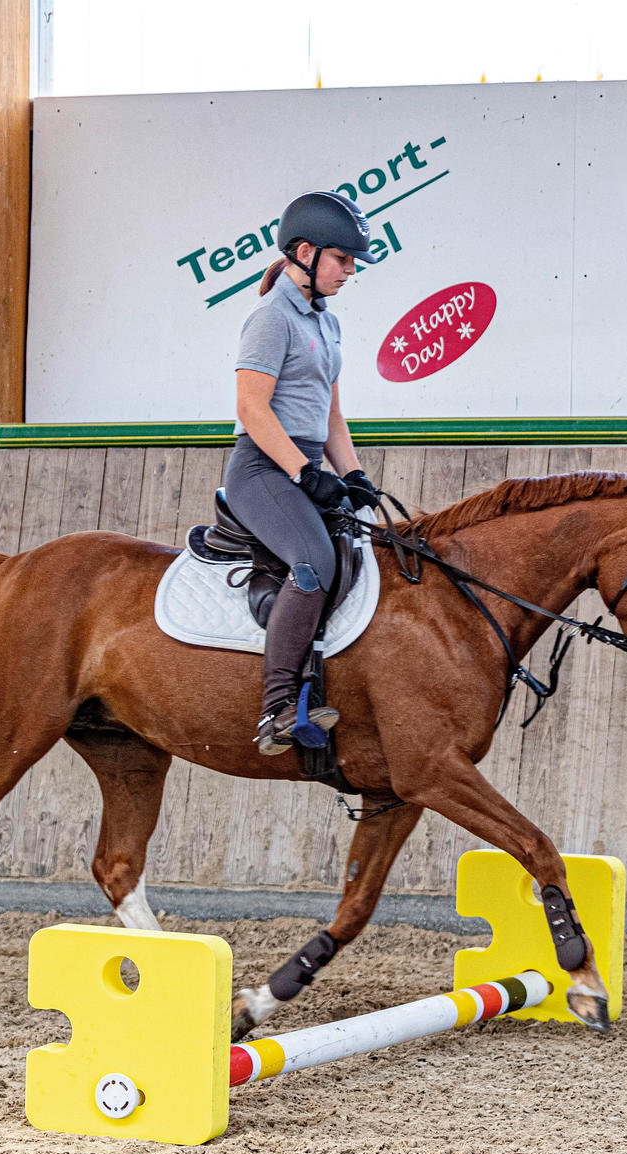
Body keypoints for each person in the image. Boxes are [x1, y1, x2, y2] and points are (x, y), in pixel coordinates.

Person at [224, 190, 382, 755]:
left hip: (304, 464)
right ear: (307, 252)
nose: (350, 272)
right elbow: (251, 410)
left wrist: (354, 474)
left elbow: (331, 415)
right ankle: (276, 708)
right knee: (313, 562)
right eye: (344, 260)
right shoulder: (270, 319)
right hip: (262, 469)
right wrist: (301, 470)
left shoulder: (327, 323)